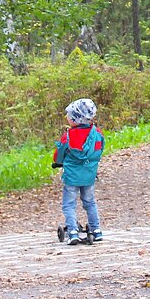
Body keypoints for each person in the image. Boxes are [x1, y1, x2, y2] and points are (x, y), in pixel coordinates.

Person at [51, 98, 104, 245]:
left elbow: (59, 155)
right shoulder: (97, 134)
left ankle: (73, 231)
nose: (67, 118)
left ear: (76, 118)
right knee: (90, 202)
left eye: (69, 116)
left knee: (69, 204)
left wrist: (58, 162)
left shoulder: (68, 136)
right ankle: (96, 229)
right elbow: (98, 152)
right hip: (89, 176)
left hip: (72, 177)